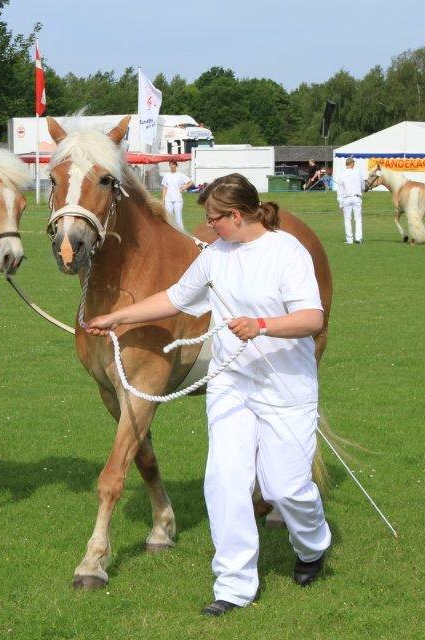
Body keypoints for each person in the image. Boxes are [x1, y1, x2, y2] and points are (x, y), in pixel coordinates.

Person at [85, 173, 331, 617]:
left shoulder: (286, 252)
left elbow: (312, 318)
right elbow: (174, 298)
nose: (207, 227)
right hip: (232, 382)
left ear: (236, 216)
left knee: (286, 486)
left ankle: (313, 545)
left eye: (214, 219)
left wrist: (262, 326)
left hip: (286, 384)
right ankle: (234, 585)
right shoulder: (215, 255)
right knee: (224, 480)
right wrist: (117, 316)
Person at [336, 157, 364, 244]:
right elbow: (362, 186)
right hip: (356, 197)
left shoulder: (342, 175)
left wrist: (340, 203)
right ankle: (358, 238)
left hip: (346, 198)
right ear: (352, 164)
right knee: (358, 219)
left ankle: (349, 239)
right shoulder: (358, 173)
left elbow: (340, 190)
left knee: (347, 219)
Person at [161, 160, 194, 229]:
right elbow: (165, 188)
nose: (172, 166)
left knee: (178, 217)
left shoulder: (180, 175)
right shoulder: (166, 175)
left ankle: (181, 232)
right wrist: (163, 199)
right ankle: (170, 231)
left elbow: (190, 182)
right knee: (169, 217)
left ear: (176, 166)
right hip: (168, 199)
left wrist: (184, 187)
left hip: (178, 199)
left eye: (173, 164)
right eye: (170, 164)